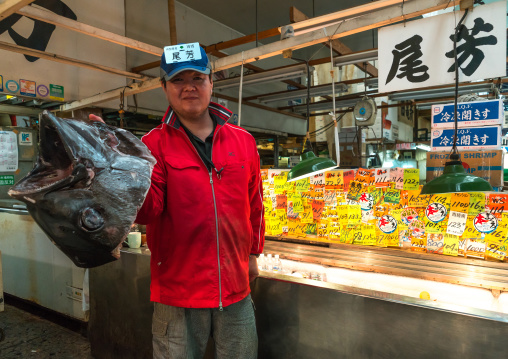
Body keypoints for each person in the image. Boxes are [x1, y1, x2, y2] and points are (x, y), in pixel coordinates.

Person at [91, 45, 265, 358]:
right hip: (178, 295)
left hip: (236, 290)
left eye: (197, 78)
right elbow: (148, 210)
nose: (189, 87)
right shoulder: (150, 145)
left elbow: (254, 204)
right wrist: (113, 168)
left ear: (211, 82)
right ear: (164, 87)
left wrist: (254, 252)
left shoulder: (243, 141)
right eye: (177, 80)